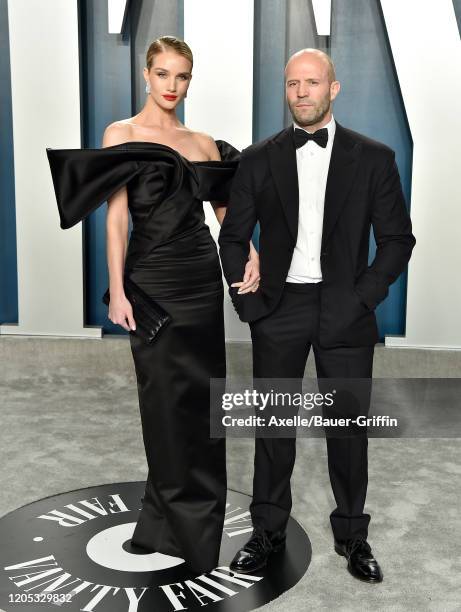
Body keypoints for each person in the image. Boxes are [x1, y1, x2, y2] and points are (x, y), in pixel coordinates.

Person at [47, 35, 259, 574]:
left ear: (191, 80)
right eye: (163, 74)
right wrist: (117, 289)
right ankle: (167, 519)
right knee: (162, 404)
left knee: (203, 402)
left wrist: (250, 251)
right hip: (151, 281)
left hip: (199, 282)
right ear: (146, 75)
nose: (172, 86)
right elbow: (116, 217)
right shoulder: (122, 134)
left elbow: (226, 212)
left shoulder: (203, 141)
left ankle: (190, 526)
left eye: (182, 76)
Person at [219, 48, 416, 582]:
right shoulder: (259, 158)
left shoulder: (374, 158)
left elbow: (398, 240)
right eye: (292, 84)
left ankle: (353, 536)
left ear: (334, 88)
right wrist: (249, 304)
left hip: (345, 309)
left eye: (312, 83)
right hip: (278, 310)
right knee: (273, 428)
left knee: (348, 430)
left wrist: (362, 297)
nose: (301, 93)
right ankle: (267, 532)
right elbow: (233, 236)